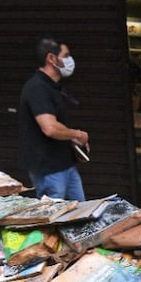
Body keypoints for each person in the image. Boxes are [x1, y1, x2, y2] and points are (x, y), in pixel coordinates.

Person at [19, 36, 88, 201]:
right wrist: (77, 135)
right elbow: (49, 127)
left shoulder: (52, 87)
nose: (70, 60)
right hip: (50, 169)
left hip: (65, 164)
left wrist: (71, 140)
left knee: (81, 213)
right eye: (66, 55)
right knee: (56, 219)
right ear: (51, 58)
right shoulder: (37, 88)